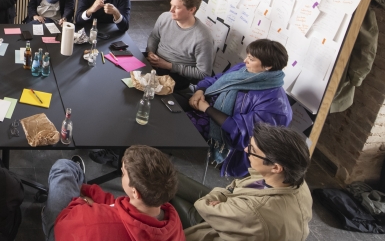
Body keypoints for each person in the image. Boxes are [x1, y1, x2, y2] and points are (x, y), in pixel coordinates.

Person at [183, 123, 312, 241]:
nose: (245, 150)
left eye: (252, 149)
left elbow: (203, 205)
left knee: (176, 191)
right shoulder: (296, 182)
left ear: (276, 168)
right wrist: (226, 199)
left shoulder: (255, 210)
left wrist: (224, 198)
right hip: (242, 219)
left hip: (222, 228)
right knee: (177, 182)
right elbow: (234, 188)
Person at [187, 39, 292, 177]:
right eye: (247, 56)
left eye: (251, 59)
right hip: (205, 106)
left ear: (268, 66)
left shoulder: (275, 104)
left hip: (222, 130)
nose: (245, 61)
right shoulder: (243, 70)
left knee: (178, 126)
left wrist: (206, 109)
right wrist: (200, 91)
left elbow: (242, 133)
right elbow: (216, 80)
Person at [43, 147, 184, 241]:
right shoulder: (173, 223)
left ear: (135, 192)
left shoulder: (94, 222)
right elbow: (119, 208)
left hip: (65, 229)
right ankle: (78, 181)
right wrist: (91, 192)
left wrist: (82, 202)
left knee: (64, 167)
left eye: (123, 173)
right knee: (77, 183)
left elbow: (62, 227)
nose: (122, 174)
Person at [146, 0, 215, 91]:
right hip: (156, 62)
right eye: (171, 5)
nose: (171, 10)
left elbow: (203, 73)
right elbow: (154, 37)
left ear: (191, 10)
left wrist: (168, 66)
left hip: (177, 75)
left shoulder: (203, 38)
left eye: (177, 8)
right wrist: (150, 52)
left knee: (146, 91)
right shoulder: (164, 17)